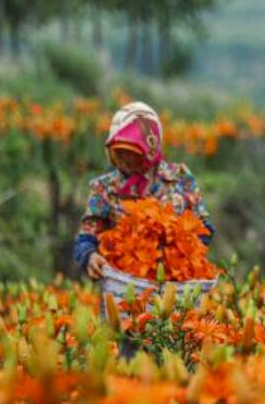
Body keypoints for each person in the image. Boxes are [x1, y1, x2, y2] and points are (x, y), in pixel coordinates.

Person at [74, 102, 214, 280]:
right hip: (121, 286)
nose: (126, 160)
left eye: (133, 152)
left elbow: (203, 229)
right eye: (120, 152)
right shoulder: (104, 188)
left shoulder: (180, 177)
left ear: (151, 146)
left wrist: (181, 255)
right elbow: (87, 236)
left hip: (175, 285)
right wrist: (90, 257)